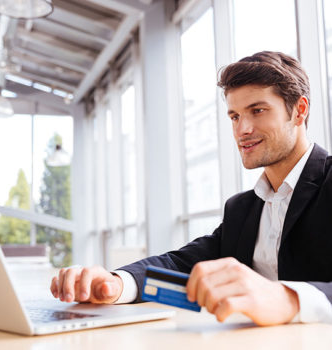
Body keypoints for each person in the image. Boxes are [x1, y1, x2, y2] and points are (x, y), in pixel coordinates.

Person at [50, 51, 332, 326]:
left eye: (257, 111)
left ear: (299, 111)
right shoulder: (242, 209)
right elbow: (182, 264)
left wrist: (288, 299)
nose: (242, 129)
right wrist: (116, 284)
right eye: (234, 116)